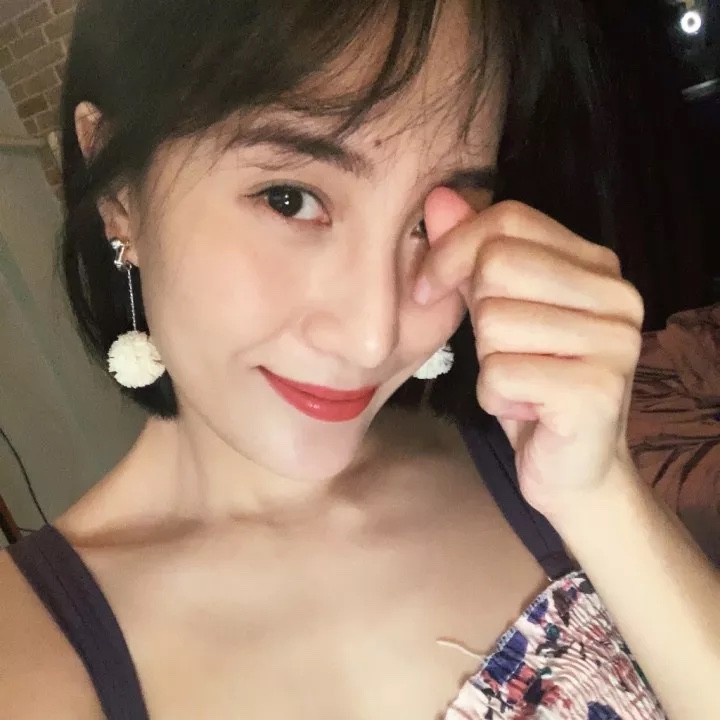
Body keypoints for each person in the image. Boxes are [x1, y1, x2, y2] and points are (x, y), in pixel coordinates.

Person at [1, 0, 717, 718]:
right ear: (118, 189)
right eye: (290, 199)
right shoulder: (31, 649)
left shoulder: (529, 472)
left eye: (427, 222)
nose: (374, 337)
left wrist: (602, 497)